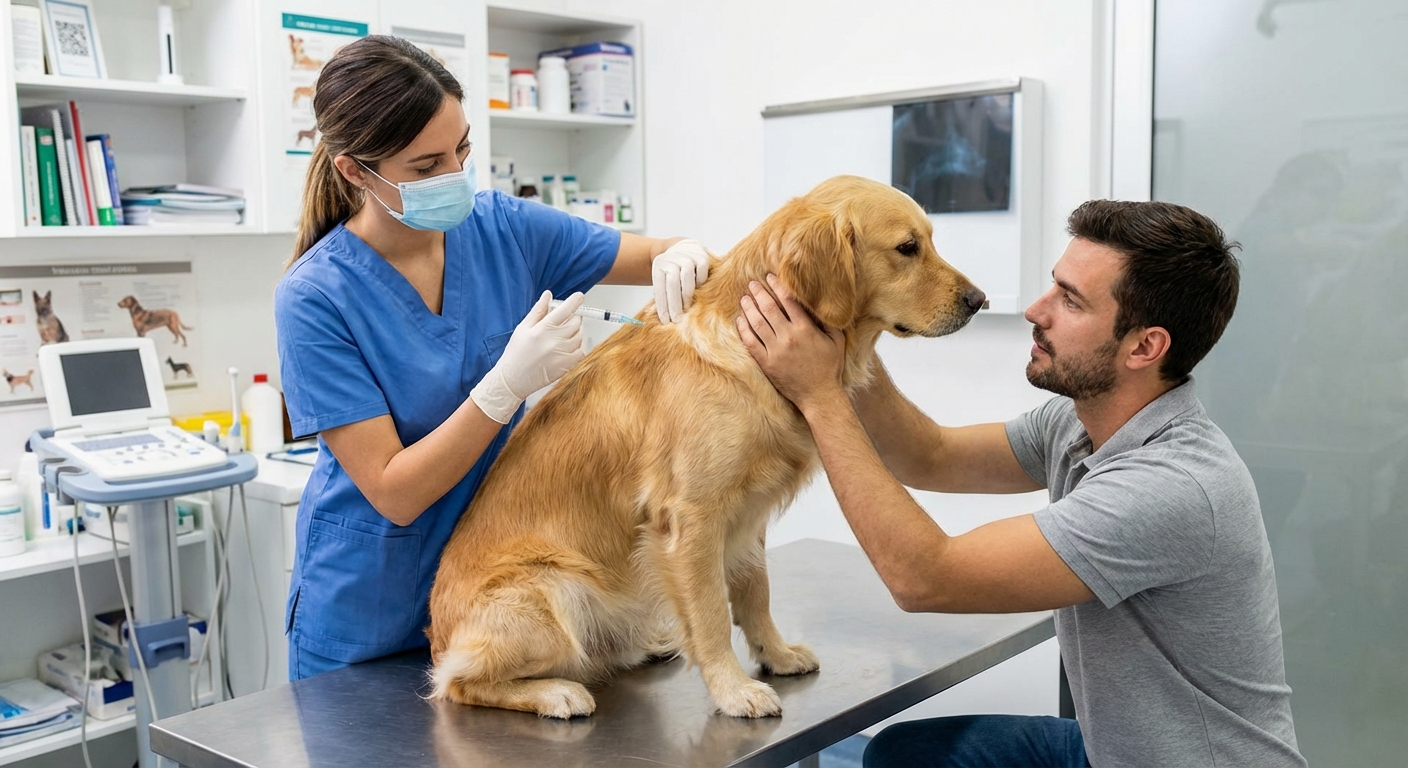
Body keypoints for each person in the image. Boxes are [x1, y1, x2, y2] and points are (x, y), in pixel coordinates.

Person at [736, 200, 1305, 767]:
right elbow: (929, 455)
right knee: (904, 756)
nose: (1037, 309)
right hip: (1112, 749)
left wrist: (819, 394)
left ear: (1144, 347)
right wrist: (846, 325)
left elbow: (924, 578)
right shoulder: (1082, 423)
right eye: (1053, 286)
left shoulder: (1172, 487)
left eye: (1070, 300)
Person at [274, 36, 712, 681]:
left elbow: (656, 252)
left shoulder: (501, 227)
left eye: (463, 150)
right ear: (352, 171)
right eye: (426, 168)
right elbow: (395, 493)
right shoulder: (315, 298)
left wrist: (684, 254)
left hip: (499, 595)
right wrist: (503, 387)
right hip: (369, 615)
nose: (454, 176)